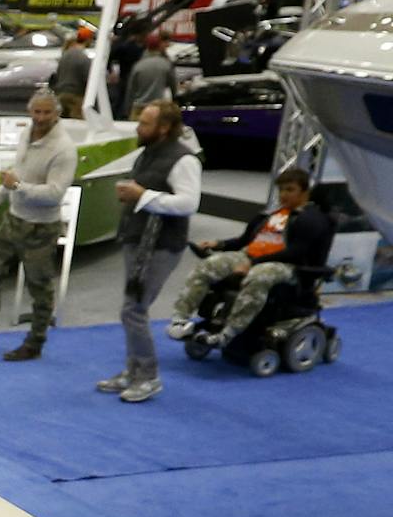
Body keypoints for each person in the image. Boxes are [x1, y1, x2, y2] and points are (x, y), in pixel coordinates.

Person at [0, 88, 77, 360]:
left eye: (47, 112)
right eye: (37, 111)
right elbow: (17, 173)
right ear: (29, 111)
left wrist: (18, 187)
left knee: (40, 287)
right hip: (13, 219)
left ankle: (35, 342)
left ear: (57, 113)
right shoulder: (26, 134)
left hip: (41, 227)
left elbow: (54, 194)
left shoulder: (64, 150)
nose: (41, 117)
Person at [165, 166, 332, 348]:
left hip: (289, 266)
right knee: (209, 264)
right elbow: (244, 240)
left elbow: (295, 252)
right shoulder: (271, 214)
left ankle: (229, 332)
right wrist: (218, 244)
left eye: (290, 190)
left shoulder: (312, 219)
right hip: (250, 256)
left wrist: (253, 262)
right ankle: (180, 320)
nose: (283, 195)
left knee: (258, 275)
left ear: (305, 192)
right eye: (281, 190)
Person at [107, 100, 202, 403]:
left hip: (161, 245)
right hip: (138, 240)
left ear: (164, 128)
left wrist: (143, 195)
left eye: (145, 123)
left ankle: (148, 376)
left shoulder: (184, 160)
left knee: (133, 310)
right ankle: (133, 371)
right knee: (131, 309)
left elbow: (188, 203)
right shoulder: (148, 152)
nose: (138, 128)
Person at [124, 30, 175, 118]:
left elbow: (131, 90)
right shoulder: (166, 64)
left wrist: (127, 110)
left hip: (138, 109)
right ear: (159, 46)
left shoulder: (138, 65)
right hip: (157, 109)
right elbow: (173, 87)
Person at [52, 31, 92, 119]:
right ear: (87, 40)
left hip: (61, 94)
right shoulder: (83, 57)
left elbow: (57, 75)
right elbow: (88, 78)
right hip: (76, 96)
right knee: (77, 122)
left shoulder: (64, 56)